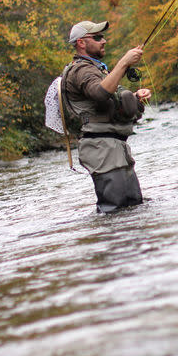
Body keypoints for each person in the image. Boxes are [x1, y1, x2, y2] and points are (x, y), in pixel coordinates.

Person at [61, 20, 152, 213]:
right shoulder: (80, 70)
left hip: (115, 148)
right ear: (81, 43)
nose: (104, 41)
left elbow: (110, 103)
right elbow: (100, 94)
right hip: (101, 150)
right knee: (116, 212)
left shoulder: (98, 70)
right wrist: (124, 62)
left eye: (102, 36)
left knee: (133, 208)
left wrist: (135, 99)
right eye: (97, 37)